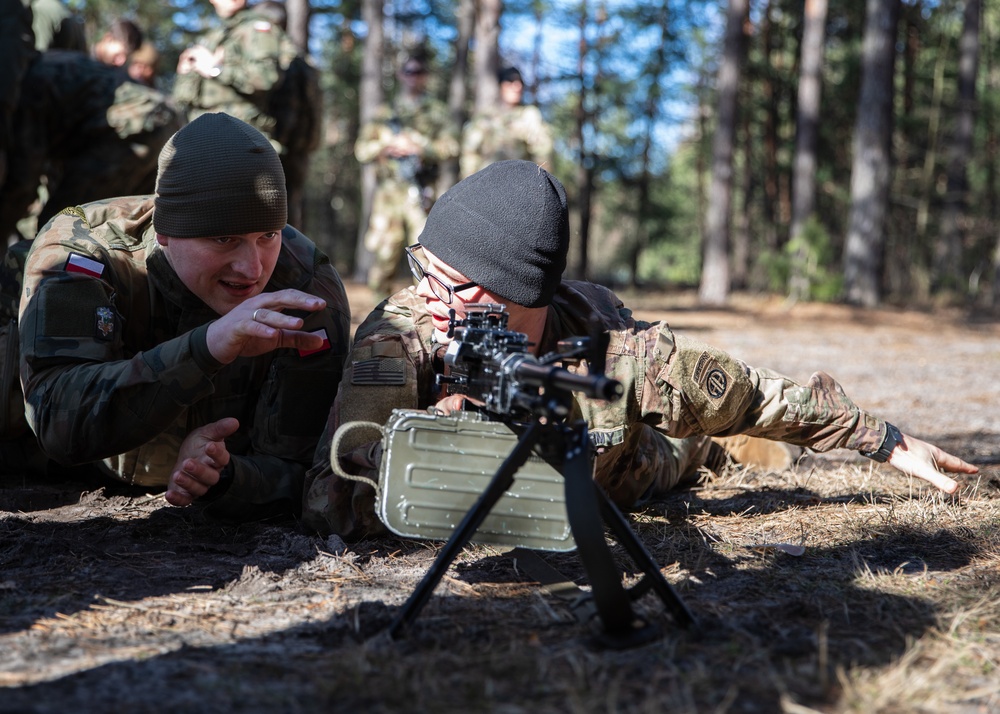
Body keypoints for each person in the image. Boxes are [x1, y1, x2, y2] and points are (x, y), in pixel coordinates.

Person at [301, 160, 978, 539]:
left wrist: (885, 438)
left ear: (503, 294)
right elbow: (329, 497)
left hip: (631, 466)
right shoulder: (401, 330)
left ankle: (718, 446)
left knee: (703, 445)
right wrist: (429, 446)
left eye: (446, 281)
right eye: (424, 270)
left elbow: (745, 390)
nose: (425, 290)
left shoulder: (617, 353)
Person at [15, 113, 351, 520]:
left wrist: (224, 474)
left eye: (268, 236)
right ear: (165, 233)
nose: (252, 268)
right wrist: (206, 349)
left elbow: (308, 469)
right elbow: (58, 421)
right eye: (223, 239)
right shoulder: (84, 252)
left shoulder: (304, 283)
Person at [0, 49, 184, 246]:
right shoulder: (49, 61)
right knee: (131, 232)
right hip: (164, 123)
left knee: (59, 230)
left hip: (129, 129)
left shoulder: (26, 85)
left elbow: (22, 181)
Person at [172, 0, 316, 229]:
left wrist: (215, 69)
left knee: (251, 227)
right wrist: (187, 72)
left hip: (240, 144)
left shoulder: (258, 28)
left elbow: (265, 77)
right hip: (205, 142)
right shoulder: (214, 36)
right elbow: (183, 97)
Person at [354, 52, 460, 297]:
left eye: (419, 73)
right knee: (384, 256)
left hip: (421, 192)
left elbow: (452, 146)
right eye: (410, 72)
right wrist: (386, 147)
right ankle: (378, 318)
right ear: (402, 75)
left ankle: (431, 316)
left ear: (426, 77)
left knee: (426, 255)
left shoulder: (437, 111)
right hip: (388, 194)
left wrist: (422, 148)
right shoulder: (384, 113)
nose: (414, 78)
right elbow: (362, 150)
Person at [461, 66, 554, 178]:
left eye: (520, 82)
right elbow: (470, 152)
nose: (517, 87)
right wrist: (469, 185)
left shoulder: (529, 115)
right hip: (486, 184)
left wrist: (542, 184)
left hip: (519, 183)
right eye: (510, 81)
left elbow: (542, 152)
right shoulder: (485, 117)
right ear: (501, 85)